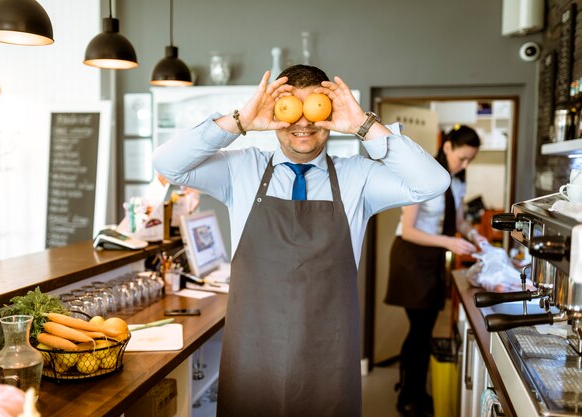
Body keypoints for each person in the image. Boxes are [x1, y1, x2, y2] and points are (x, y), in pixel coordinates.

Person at [153, 64, 450, 417]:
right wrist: (240, 121)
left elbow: (433, 183)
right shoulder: (241, 169)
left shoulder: (359, 177)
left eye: (315, 109)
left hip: (329, 359)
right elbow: (167, 164)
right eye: (292, 108)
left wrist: (363, 125)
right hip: (253, 357)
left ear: (329, 113)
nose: (304, 123)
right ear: (276, 112)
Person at [384, 124, 487, 417]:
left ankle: (412, 387)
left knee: (422, 329)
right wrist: (449, 242)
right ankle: (408, 396)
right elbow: (408, 231)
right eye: (462, 158)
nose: (464, 164)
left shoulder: (456, 182)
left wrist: (474, 236)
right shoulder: (425, 176)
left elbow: (458, 219)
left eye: (470, 160)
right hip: (412, 257)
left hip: (432, 258)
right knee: (419, 330)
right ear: (447, 147)